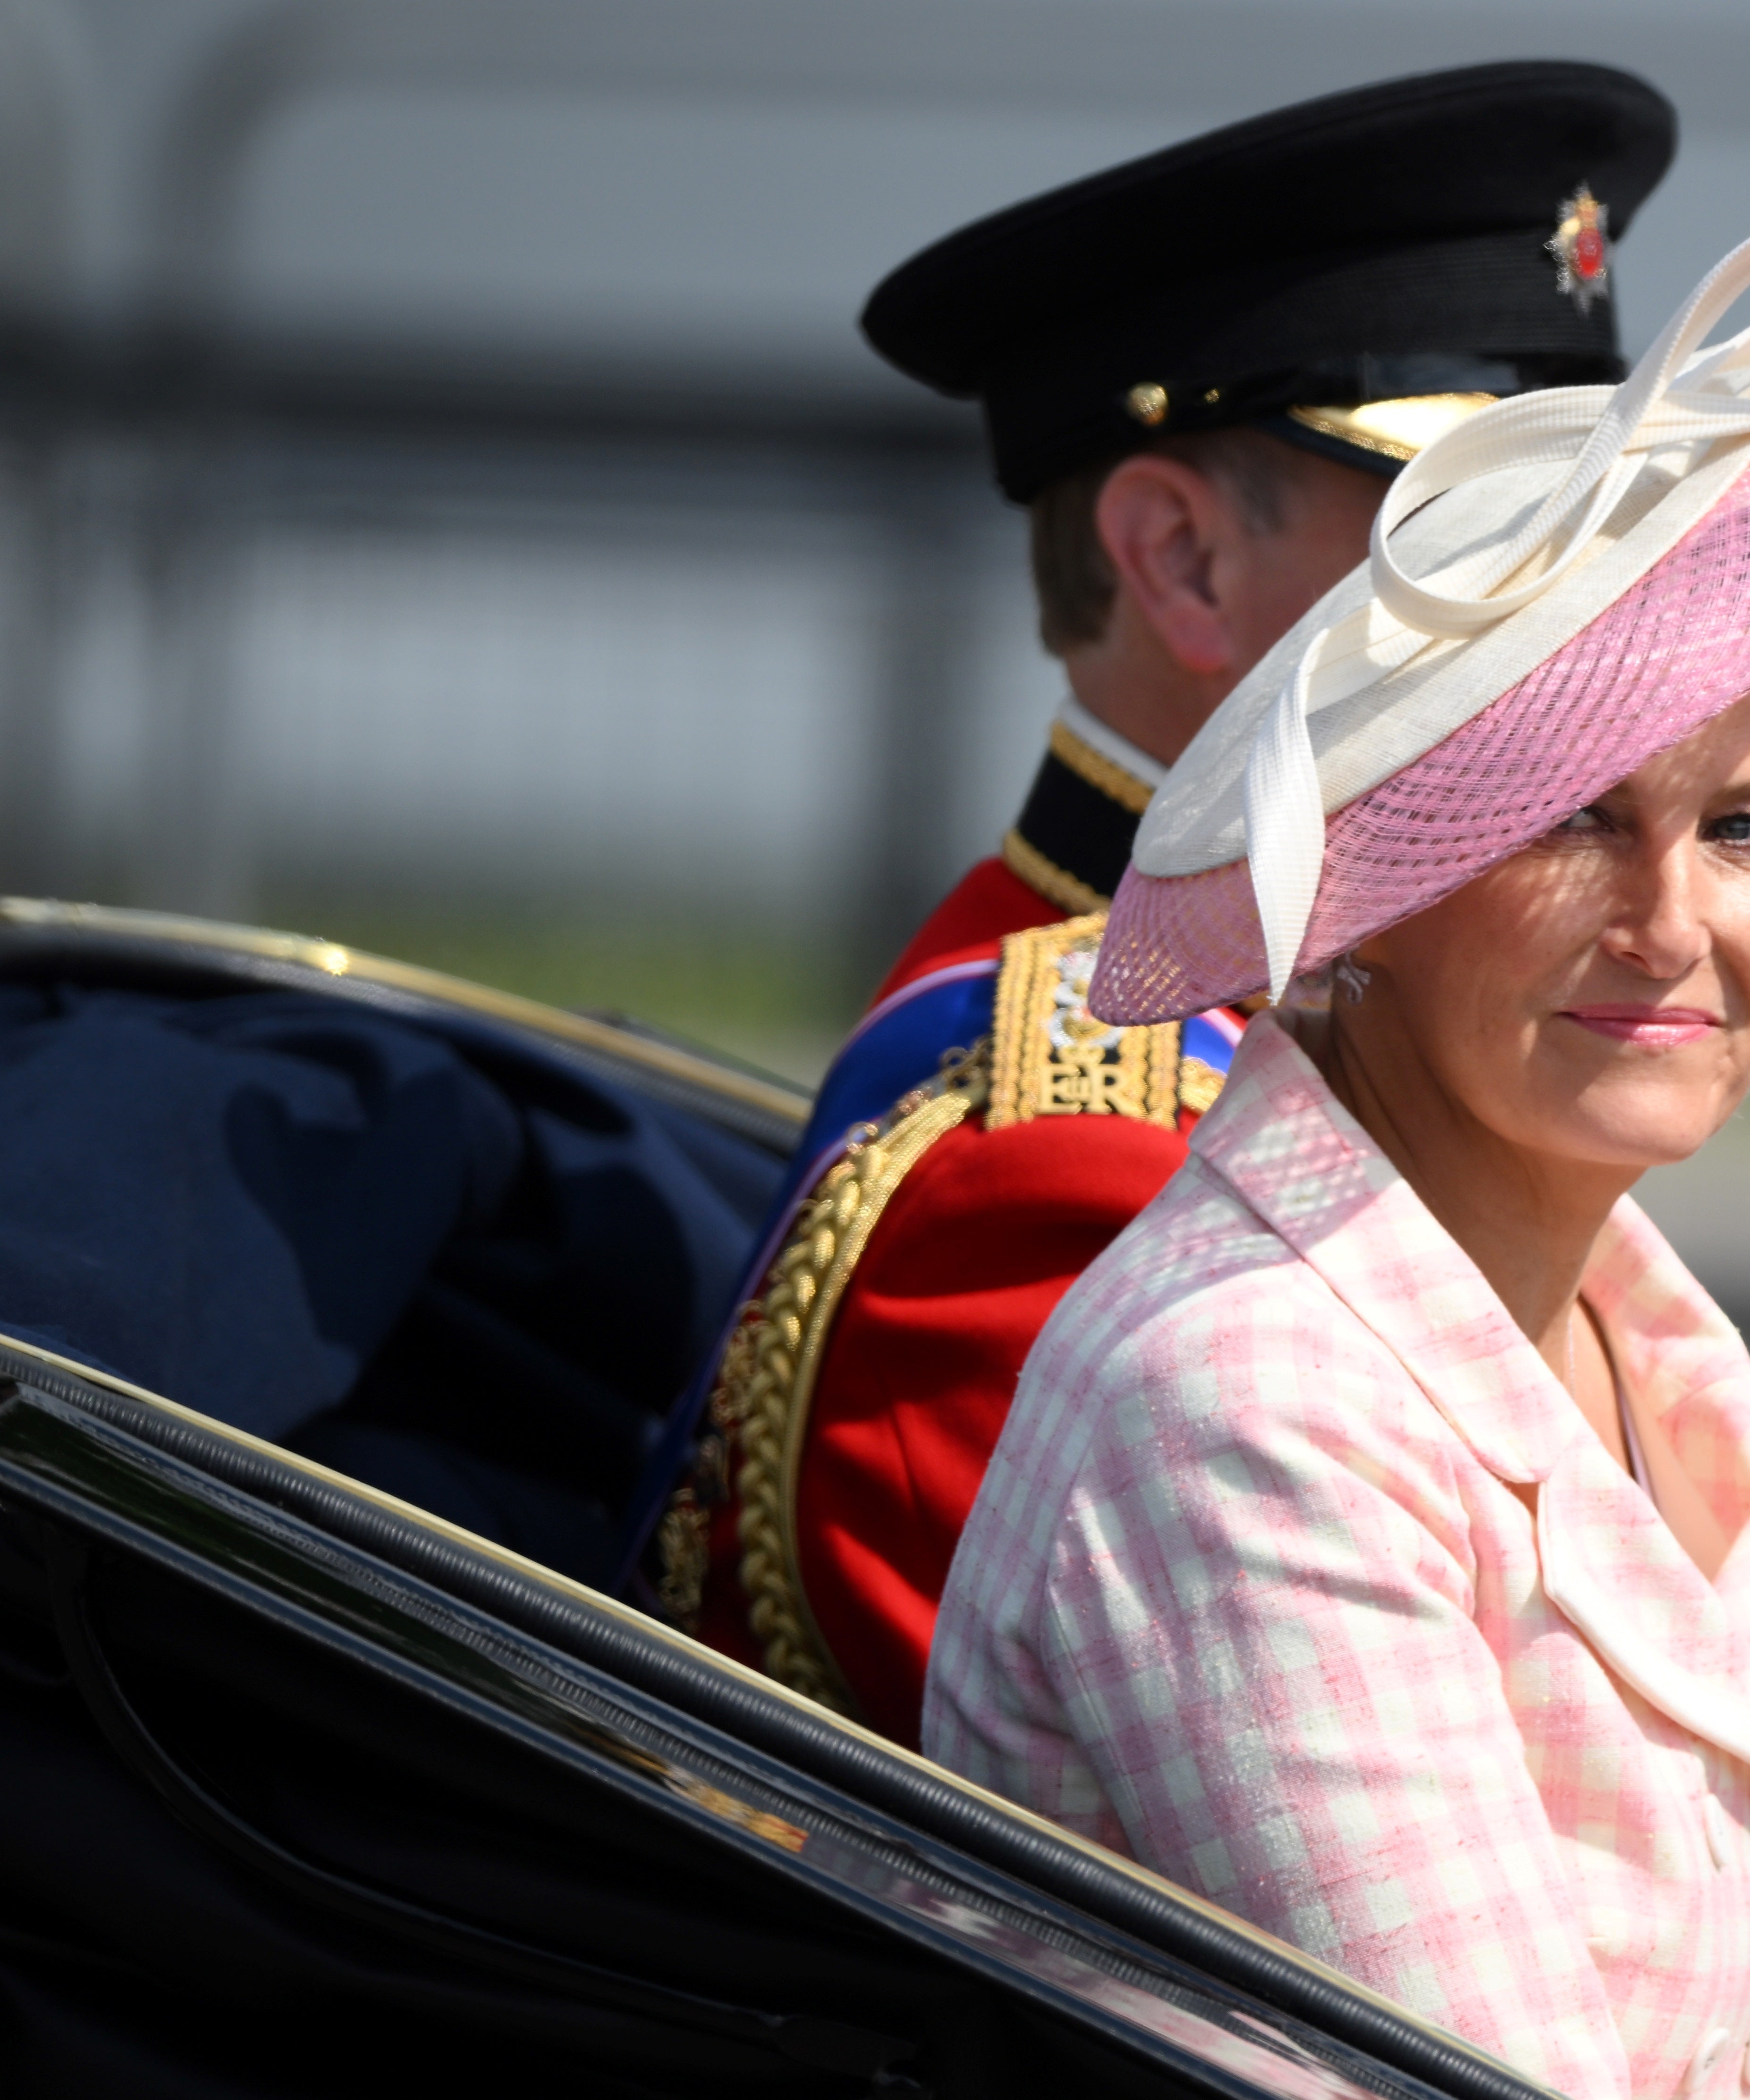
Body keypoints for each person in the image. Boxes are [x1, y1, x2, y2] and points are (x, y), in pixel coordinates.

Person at [926, 205, 1750, 2100]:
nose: (1671, 923)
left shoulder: (1637, 1338)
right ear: (1362, 877)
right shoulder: (1248, 1400)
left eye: (1746, 831)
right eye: (1571, 820)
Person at [627, 63, 1680, 1742]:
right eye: (1478, 531)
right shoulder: (1064, 1161)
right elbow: (1285, 1914)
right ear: (1182, 561)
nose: (1578, 604)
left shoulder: (1347, 1006)